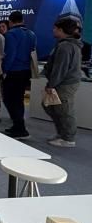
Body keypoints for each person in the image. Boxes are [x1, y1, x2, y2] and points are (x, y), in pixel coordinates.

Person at [42, 17, 82, 147]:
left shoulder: (65, 46)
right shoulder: (66, 44)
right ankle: (62, 133)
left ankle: (68, 138)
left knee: (64, 110)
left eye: (55, 28)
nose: (53, 30)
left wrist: (51, 85)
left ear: (60, 29)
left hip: (64, 83)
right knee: (50, 106)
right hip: (63, 82)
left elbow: (60, 69)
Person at [2, 10, 36, 139]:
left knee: (9, 99)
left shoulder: (11, 34)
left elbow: (11, 54)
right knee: (18, 99)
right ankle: (17, 125)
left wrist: (5, 70)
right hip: (25, 71)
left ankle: (20, 127)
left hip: (13, 71)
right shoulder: (31, 34)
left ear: (10, 21)